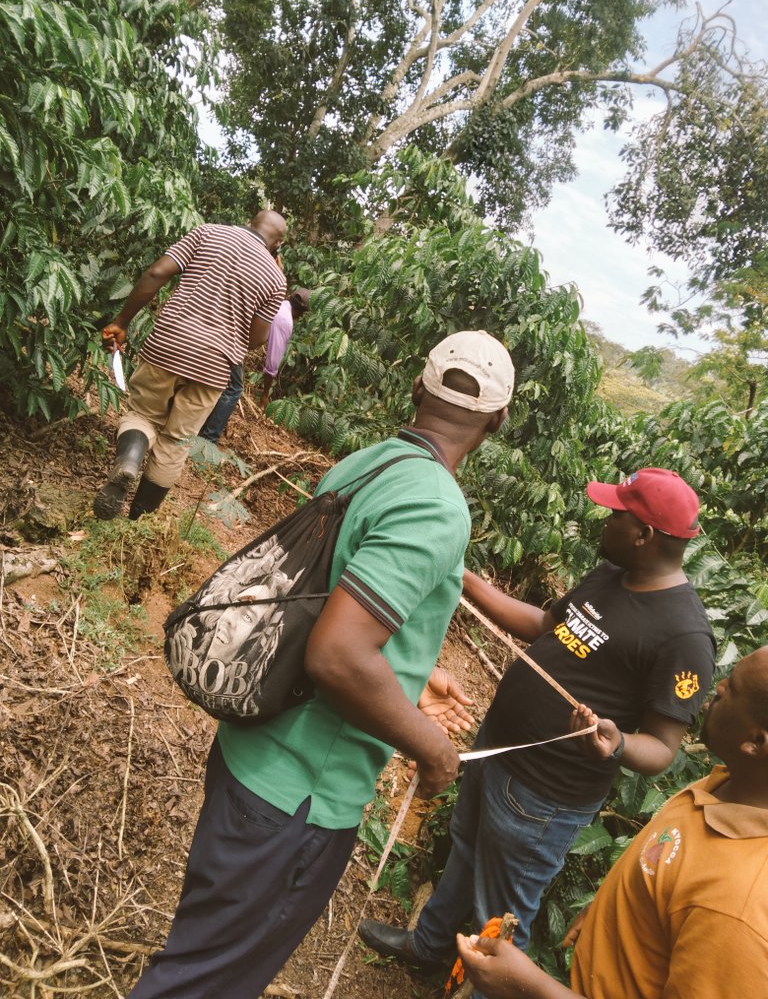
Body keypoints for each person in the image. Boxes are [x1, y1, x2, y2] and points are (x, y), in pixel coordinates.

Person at [125, 329, 516, 999]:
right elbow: (337, 654)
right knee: (200, 984)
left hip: (254, 752)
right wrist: (435, 753)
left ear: (418, 388)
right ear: (498, 420)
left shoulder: (371, 463)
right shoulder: (437, 506)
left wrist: (412, 677)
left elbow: (323, 602)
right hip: (300, 794)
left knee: (199, 959)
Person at [360, 468, 716, 990]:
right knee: (464, 848)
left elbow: (662, 747)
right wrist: (466, 579)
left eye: (617, 513)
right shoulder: (610, 574)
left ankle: (480, 989)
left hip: (545, 795)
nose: (605, 519)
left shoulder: (684, 635)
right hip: (497, 752)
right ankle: (430, 945)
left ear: (645, 534)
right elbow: (547, 626)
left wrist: (616, 742)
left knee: (500, 914)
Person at [455, 646, 768, 999]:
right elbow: (669, 874)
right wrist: (619, 912)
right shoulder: (731, 785)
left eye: (735, 688)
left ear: (755, 742)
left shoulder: (738, 914)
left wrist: (530, 986)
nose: (720, 686)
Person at [94, 211, 287, 520]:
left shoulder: (208, 232)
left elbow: (157, 273)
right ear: (279, 244)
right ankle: (136, 522)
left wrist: (121, 322)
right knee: (176, 442)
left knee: (142, 415)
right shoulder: (277, 280)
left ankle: (128, 462)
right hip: (214, 367)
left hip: (169, 344)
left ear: (251, 221)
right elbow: (255, 340)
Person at [198, 287, 311, 443]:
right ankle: (208, 438)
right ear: (302, 313)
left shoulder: (277, 302)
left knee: (221, 382)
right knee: (234, 389)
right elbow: (272, 363)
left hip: (216, 328)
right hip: (230, 340)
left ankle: (202, 427)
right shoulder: (285, 319)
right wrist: (265, 394)